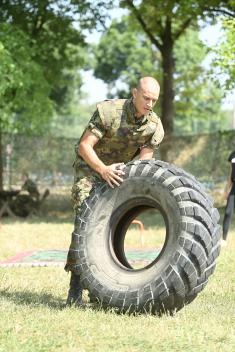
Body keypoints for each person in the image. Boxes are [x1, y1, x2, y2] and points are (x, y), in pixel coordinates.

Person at [65, 76, 165, 307]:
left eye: (154, 100)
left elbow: (143, 163)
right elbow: (84, 146)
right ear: (134, 93)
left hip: (119, 175)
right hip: (90, 170)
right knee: (86, 222)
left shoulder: (154, 126)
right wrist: (102, 170)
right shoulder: (109, 111)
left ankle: (102, 288)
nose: (150, 104)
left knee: (109, 226)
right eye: (146, 98)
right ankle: (75, 290)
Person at [222, 148, 235, 245]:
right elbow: (231, 174)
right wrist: (227, 190)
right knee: (228, 212)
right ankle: (224, 239)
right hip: (234, 187)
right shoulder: (232, 155)